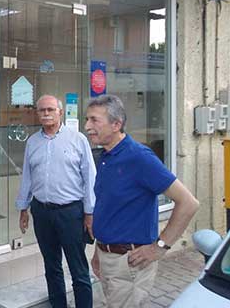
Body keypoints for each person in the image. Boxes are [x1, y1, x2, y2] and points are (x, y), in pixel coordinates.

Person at [85, 94, 199, 308]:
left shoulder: (139, 157)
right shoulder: (106, 157)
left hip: (129, 263)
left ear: (116, 124)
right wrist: (100, 251)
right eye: (87, 119)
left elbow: (188, 203)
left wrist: (160, 246)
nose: (87, 126)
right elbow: (109, 208)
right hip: (109, 257)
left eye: (94, 120)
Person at [16, 94, 96, 308]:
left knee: (78, 269)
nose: (46, 114)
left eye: (50, 109)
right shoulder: (32, 142)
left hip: (71, 213)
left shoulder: (78, 139)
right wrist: (23, 208)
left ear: (60, 112)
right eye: (42, 110)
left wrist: (89, 213)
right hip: (41, 212)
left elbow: (90, 178)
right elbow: (27, 177)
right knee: (51, 267)